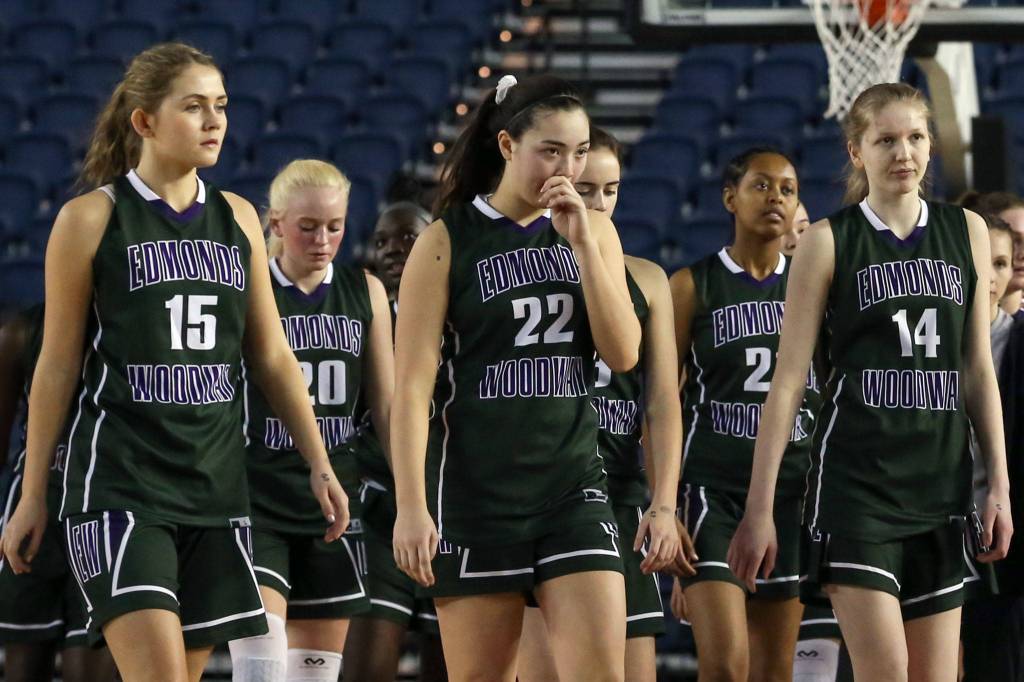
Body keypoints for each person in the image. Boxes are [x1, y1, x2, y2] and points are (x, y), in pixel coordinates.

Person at [0, 43, 349, 682]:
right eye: (193, 107)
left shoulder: (239, 218)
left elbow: (272, 356)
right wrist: (32, 494)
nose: (214, 120)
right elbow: (54, 366)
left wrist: (319, 462)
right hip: (122, 484)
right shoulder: (91, 219)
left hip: (215, 488)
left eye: (220, 105)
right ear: (144, 122)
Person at [728, 83, 1012, 681]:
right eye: (885, 140)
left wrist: (999, 487)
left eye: (914, 137)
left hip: (940, 485)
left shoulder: (967, 232)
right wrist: (758, 509)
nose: (902, 152)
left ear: (931, 145)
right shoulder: (828, 241)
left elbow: (977, 372)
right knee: (886, 672)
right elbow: (786, 383)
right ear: (857, 151)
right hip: (858, 490)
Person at [391, 73, 650, 682]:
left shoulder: (594, 232)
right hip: (477, 493)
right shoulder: (446, 242)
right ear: (507, 146)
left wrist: (585, 243)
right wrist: (411, 506)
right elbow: (409, 391)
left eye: (580, 151)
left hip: (573, 486)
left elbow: (624, 354)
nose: (568, 167)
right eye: (551, 150)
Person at [516, 126, 693, 682]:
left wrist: (664, 505)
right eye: (587, 188)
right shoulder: (522, 271)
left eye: (610, 190)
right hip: (542, 496)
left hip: (617, 497)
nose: (598, 203)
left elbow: (662, 402)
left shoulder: (647, 278)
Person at [228, 160, 393, 682]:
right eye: (308, 227)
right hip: (258, 494)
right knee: (262, 670)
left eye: (335, 226)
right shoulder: (249, 291)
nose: (323, 239)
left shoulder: (364, 292)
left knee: (313, 676)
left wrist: (416, 491)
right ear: (275, 224)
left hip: (335, 502)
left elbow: (385, 407)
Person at [668, 146, 813, 682]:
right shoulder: (690, 285)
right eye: (761, 184)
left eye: (788, 188)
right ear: (730, 197)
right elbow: (662, 402)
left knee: (774, 671)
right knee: (726, 667)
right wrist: (665, 503)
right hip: (713, 492)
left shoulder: (813, 284)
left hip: (793, 491)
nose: (775, 196)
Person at [343, 202, 448, 681]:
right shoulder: (362, 314)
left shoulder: (462, 308)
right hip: (382, 510)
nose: (392, 250)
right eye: (382, 241)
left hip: (454, 510)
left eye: (407, 237)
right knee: (366, 668)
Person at [0, 306, 117, 682]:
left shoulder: (132, 326)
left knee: (91, 668)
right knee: (24, 666)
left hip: (108, 507)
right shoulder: (20, 332)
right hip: (38, 504)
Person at [958, 211, 1024, 681]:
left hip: (999, 545)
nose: (992, 278)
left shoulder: (1019, 342)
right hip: (928, 527)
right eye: (983, 264)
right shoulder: (927, 341)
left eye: (1002, 264)